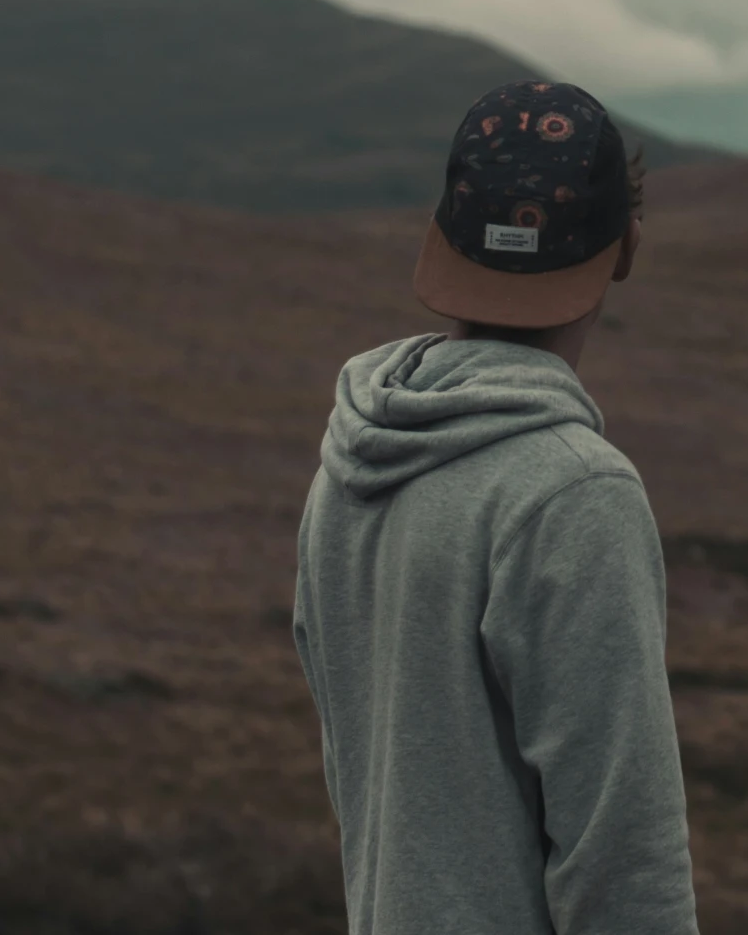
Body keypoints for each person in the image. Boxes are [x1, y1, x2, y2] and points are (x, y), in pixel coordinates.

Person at [292, 80, 699, 934]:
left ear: (443, 239)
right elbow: (623, 854)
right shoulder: (573, 492)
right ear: (624, 247)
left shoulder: (349, 459)